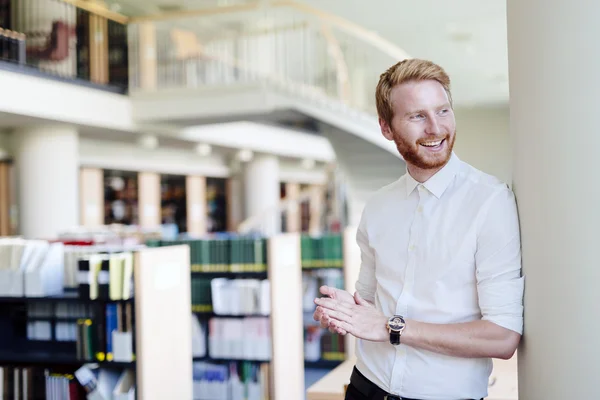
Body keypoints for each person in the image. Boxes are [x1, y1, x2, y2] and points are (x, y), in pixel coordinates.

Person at [313, 59, 524, 400]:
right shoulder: (378, 206)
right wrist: (344, 311)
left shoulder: (490, 203)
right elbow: (366, 300)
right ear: (386, 127)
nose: (435, 128)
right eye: (417, 116)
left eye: (443, 111)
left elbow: (502, 337)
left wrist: (391, 328)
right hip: (366, 387)